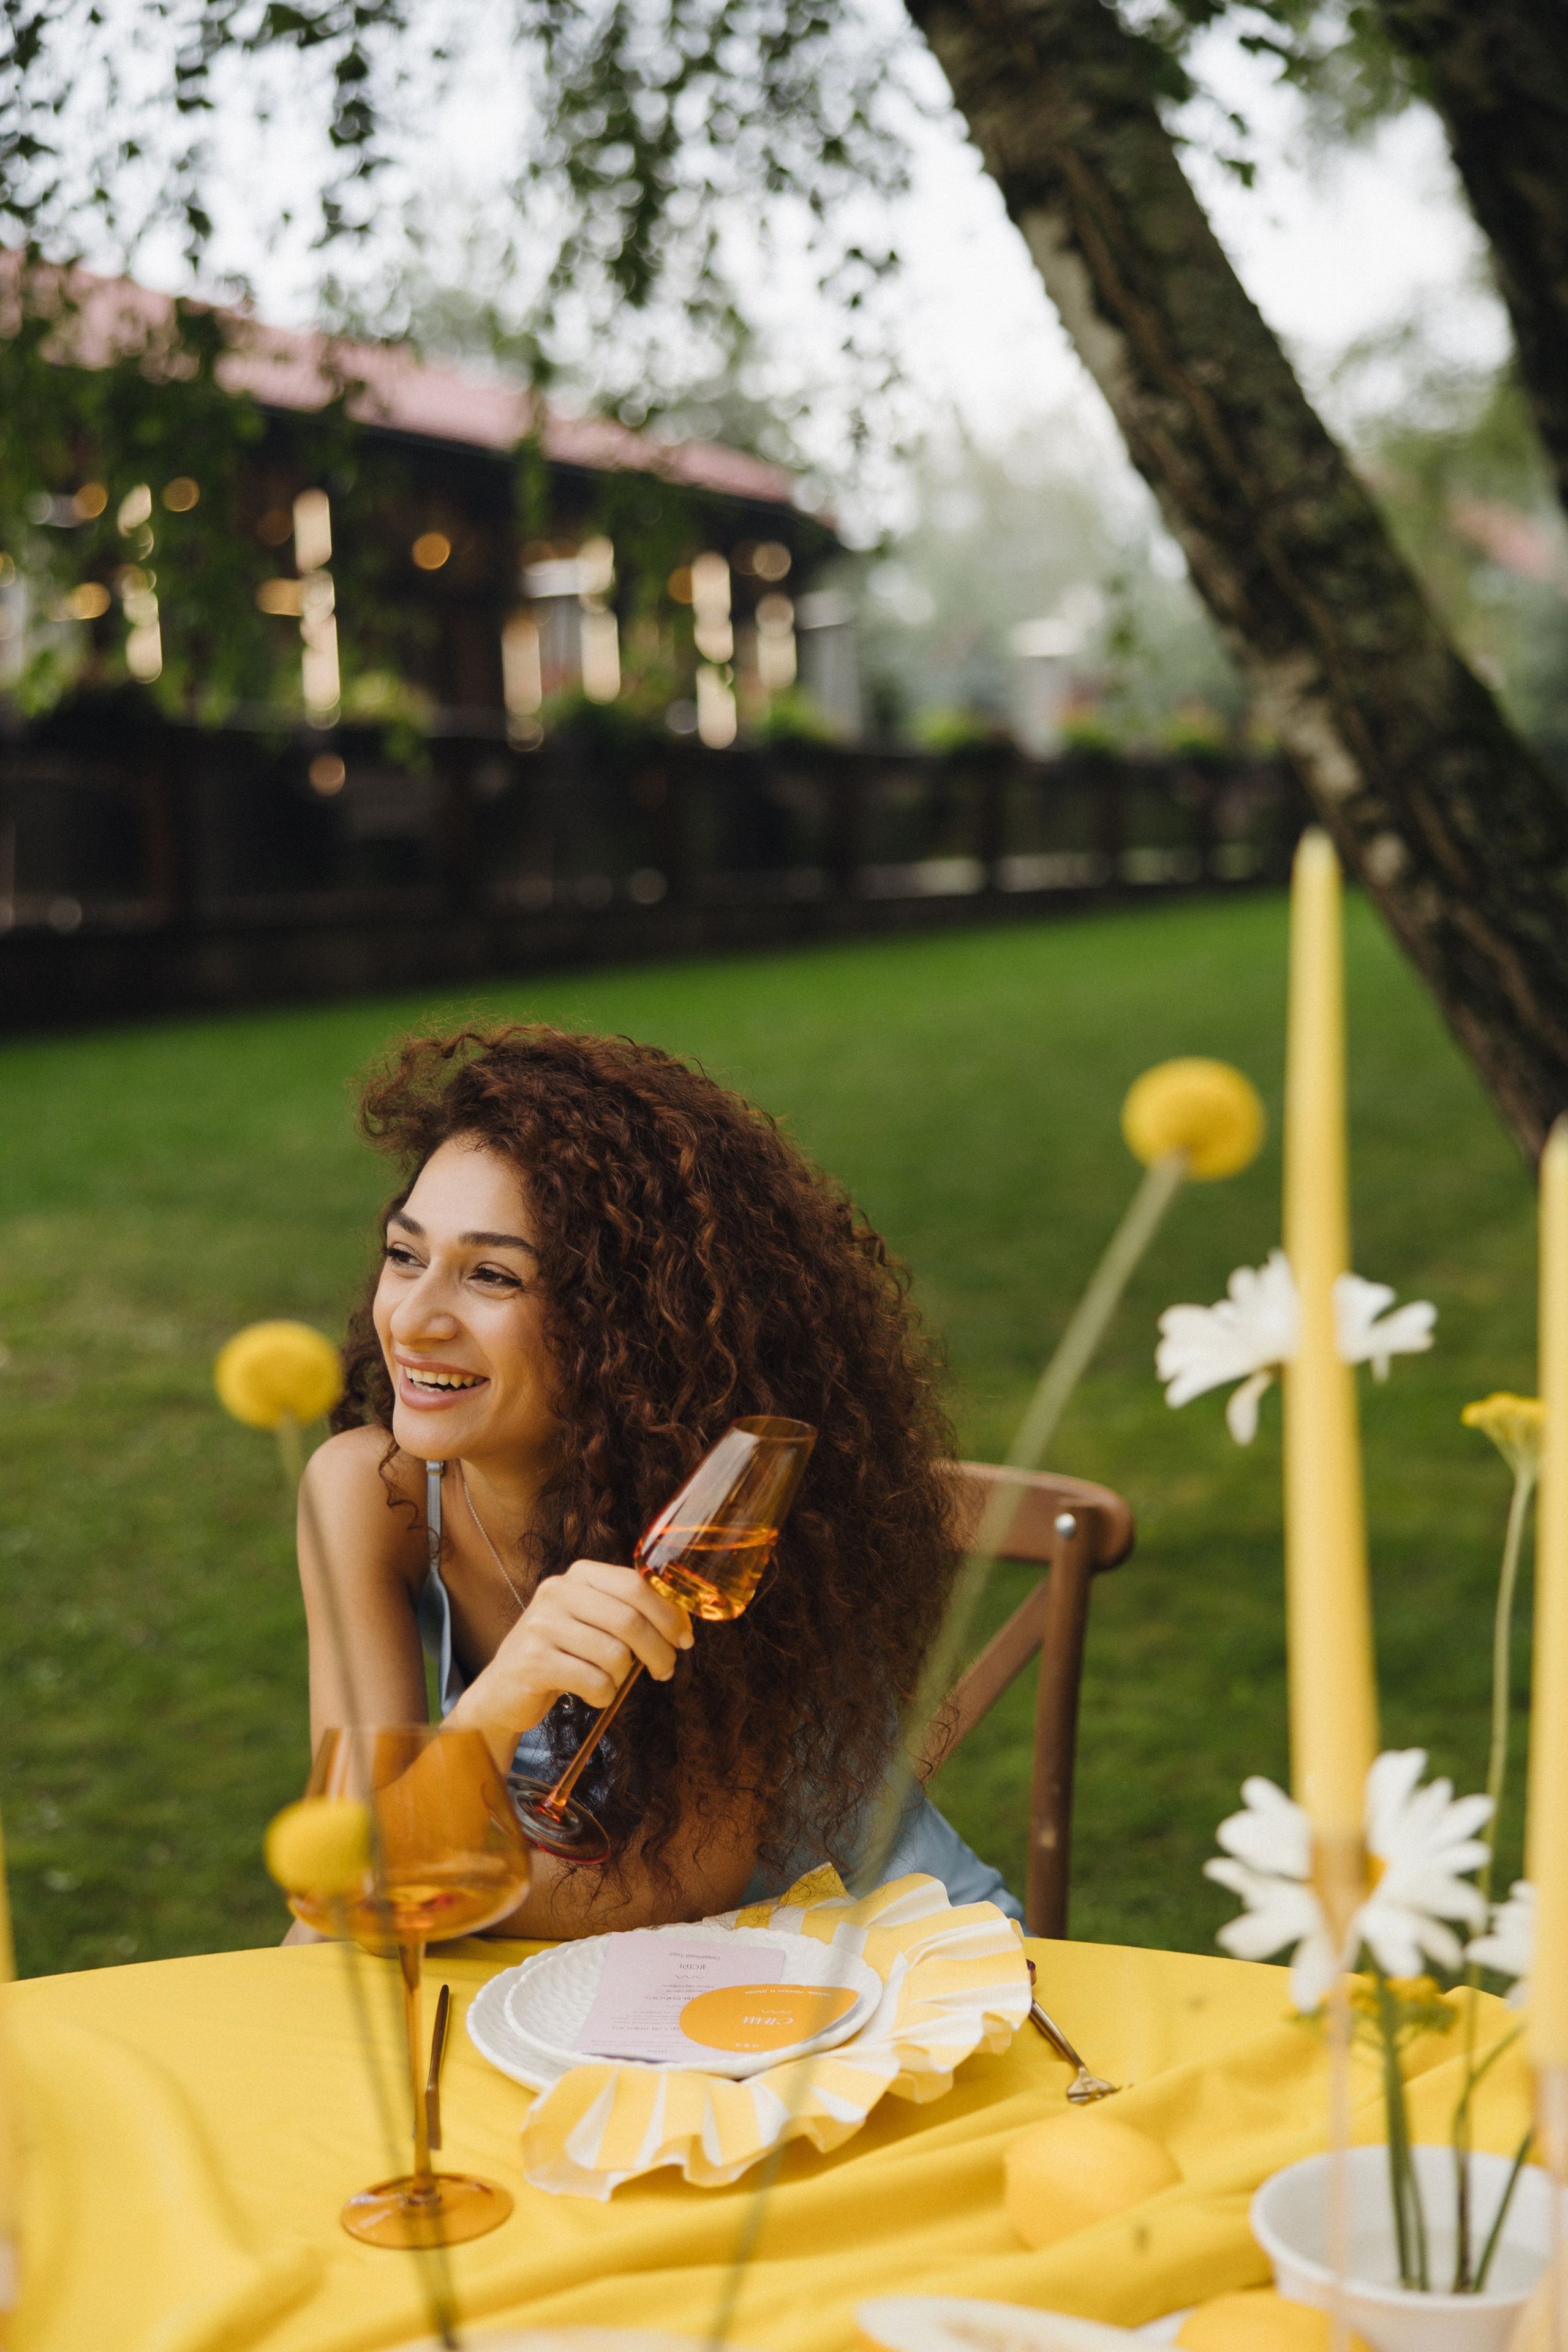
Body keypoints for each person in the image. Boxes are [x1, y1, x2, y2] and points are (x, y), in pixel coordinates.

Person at [293, 1022, 1022, 1940]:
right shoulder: (370, 1495)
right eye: (406, 1256)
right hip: (610, 1993)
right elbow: (343, 1867)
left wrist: (392, 1878)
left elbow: (664, 1886)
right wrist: (483, 1720)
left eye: (493, 1276)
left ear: (621, 1318)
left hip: (889, 1972)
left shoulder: (719, 1524)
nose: (413, 1320)